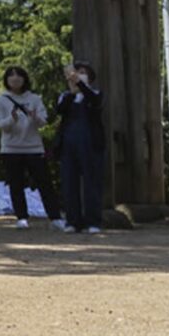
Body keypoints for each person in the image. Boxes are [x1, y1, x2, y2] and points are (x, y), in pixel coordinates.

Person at [0, 67, 54, 228]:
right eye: (11, 76)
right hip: (11, 148)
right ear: (6, 80)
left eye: (19, 76)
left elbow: (43, 122)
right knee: (16, 184)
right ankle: (21, 217)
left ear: (25, 79)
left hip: (34, 147)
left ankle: (55, 217)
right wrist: (11, 119)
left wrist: (34, 117)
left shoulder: (34, 98)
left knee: (44, 183)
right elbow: (0, 125)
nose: (15, 79)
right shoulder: (0, 101)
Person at [52, 62, 109, 235]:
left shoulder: (95, 94)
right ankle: (72, 221)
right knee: (69, 183)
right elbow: (59, 110)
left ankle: (93, 221)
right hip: (68, 144)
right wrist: (72, 90)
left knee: (92, 183)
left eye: (83, 73)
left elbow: (95, 101)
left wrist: (81, 85)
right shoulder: (65, 96)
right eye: (76, 72)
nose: (78, 75)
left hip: (91, 143)